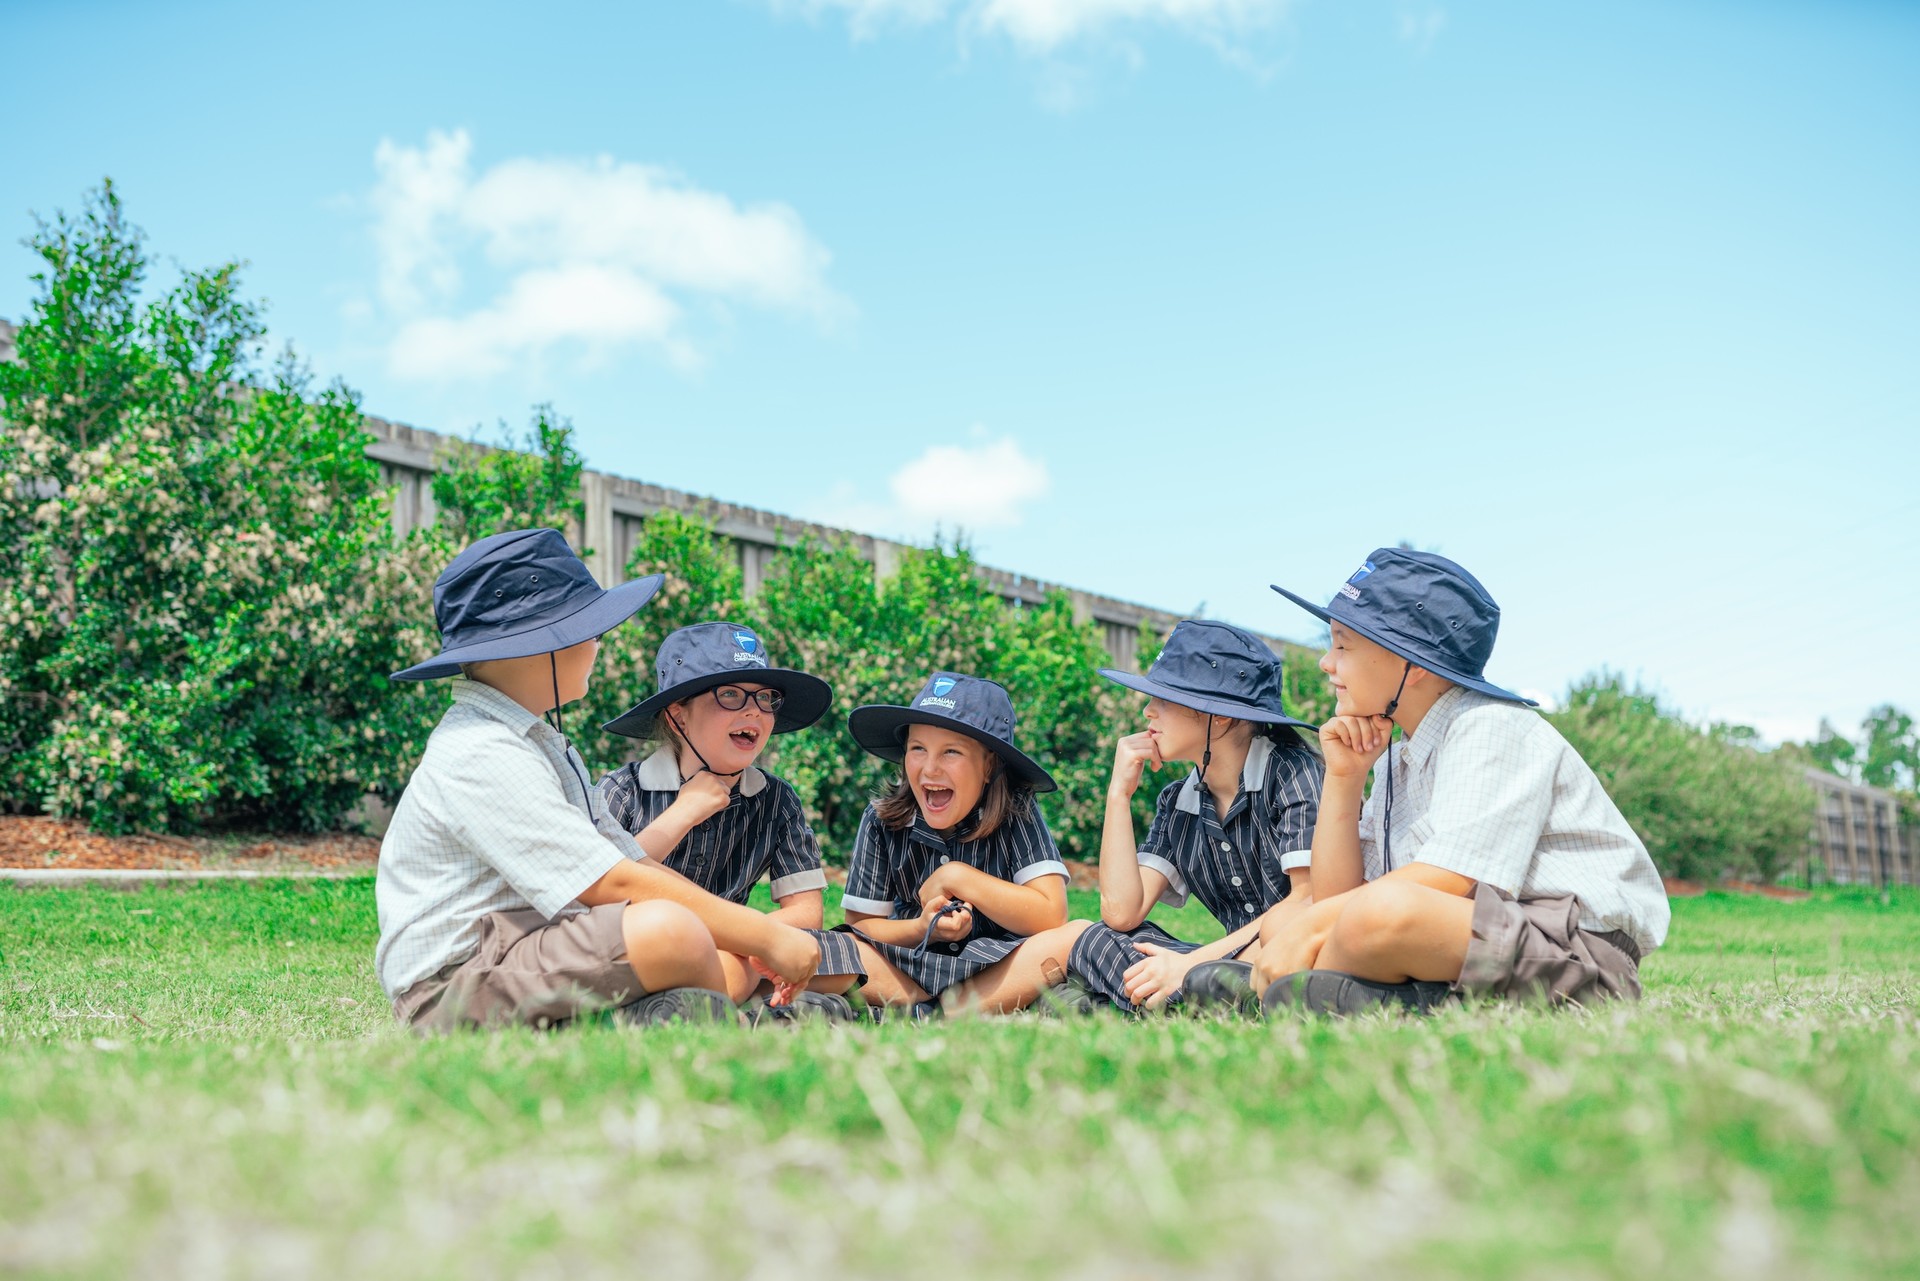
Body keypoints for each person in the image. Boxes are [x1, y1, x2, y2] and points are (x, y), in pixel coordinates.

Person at [374, 528, 819, 1031]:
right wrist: (765, 938)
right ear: (538, 646)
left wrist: (748, 932)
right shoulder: (482, 748)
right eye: (587, 628)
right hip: (456, 982)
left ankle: (650, 1019)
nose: (597, 642)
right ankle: (697, 1017)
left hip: (522, 946)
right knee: (671, 930)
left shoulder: (540, 743)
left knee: (691, 928)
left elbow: (629, 858)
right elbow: (611, 880)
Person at [1253, 547, 1670, 1015]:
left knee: (1378, 912)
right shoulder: (1396, 762)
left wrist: (1310, 932)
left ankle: (1293, 989)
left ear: (1415, 664)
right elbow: (1336, 900)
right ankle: (1349, 994)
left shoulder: (1490, 725)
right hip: (1466, 937)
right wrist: (1345, 778)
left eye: (1343, 644)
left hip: (1573, 951)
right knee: (1301, 920)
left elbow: (1448, 879)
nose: (1326, 663)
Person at [598, 621, 865, 1020]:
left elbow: (807, 912)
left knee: (843, 956)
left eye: (765, 699)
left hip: (741, 949)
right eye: (730, 695)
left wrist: (748, 940)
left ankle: (714, 998)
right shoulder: (623, 790)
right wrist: (684, 812)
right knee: (684, 950)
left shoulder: (776, 800)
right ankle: (748, 1000)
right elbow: (603, 882)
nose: (753, 711)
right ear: (678, 716)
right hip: (647, 941)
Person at [1065, 620, 1323, 1013]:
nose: (1148, 711)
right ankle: (1193, 996)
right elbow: (1121, 912)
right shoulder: (1178, 802)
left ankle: (1128, 1002)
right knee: (1096, 939)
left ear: (1219, 716)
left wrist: (1188, 964)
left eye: (1164, 700)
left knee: (1209, 975)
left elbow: (1310, 900)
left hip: (1304, 955)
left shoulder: (1293, 772)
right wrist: (1118, 795)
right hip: (1227, 966)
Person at [834, 673, 1086, 1016]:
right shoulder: (882, 819)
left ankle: (943, 1009)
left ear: (989, 766)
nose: (930, 768)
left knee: (1078, 935)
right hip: (906, 969)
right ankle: (969, 1007)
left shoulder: (1017, 809)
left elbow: (1051, 914)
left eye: (951, 751)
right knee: (831, 947)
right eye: (918, 749)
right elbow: (861, 927)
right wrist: (921, 929)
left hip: (998, 969)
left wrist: (959, 876)